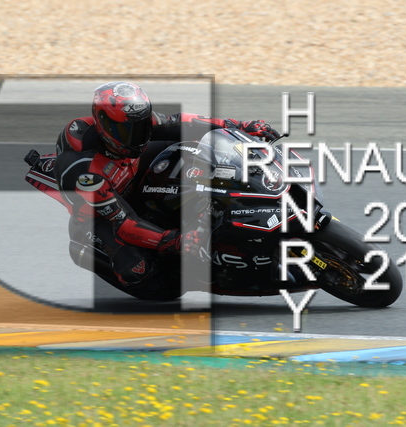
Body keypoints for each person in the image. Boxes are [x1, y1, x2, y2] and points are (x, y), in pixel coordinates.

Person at [53, 81, 280, 298]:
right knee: (148, 276)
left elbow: (182, 122)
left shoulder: (136, 124)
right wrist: (174, 240)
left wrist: (238, 126)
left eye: (141, 126)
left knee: (191, 146)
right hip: (101, 215)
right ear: (104, 124)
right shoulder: (85, 172)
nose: (137, 136)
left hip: (131, 172)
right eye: (126, 130)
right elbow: (123, 223)